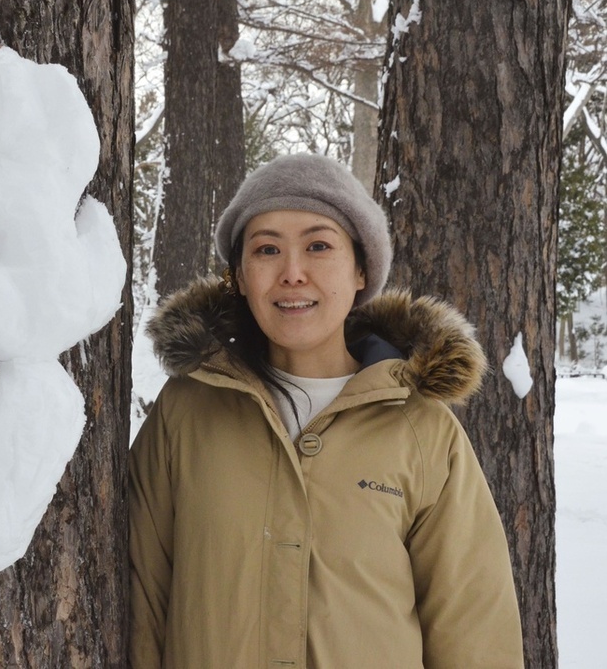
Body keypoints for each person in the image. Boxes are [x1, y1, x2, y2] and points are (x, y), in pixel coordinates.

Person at [128, 154, 524, 668]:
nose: (292, 274)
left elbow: (474, 628)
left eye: (318, 246)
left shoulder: (421, 427)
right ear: (241, 279)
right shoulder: (187, 410)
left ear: (361, 270)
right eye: (267, 249)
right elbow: (142, 599)